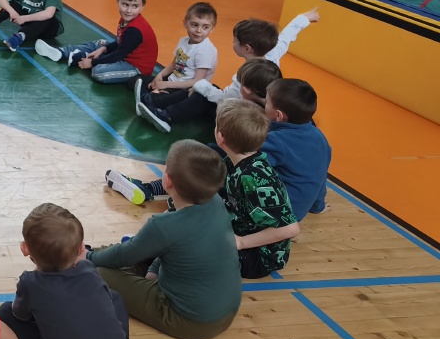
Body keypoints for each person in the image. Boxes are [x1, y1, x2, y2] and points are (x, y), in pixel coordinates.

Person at [89, 140, 241, 339]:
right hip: (227, 313)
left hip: (191, 321)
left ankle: (83, 253)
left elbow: (123, 256)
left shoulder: (163, 225)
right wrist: (154, 268)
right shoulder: (215, 202)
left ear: (167, 181)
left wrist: (88, 257)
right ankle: (90, 252)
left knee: (100, 272)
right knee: (135, 250)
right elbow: (174, 245)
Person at [0, 203, 134, 339]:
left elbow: (20, 315)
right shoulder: (90, 270)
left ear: (25, 249)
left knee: (5, 312)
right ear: (81, 249)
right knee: (114, 297)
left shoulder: (30, 283)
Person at [110, 58, 284, 206]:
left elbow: (222, 103)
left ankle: (149, 189)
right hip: (237, 170)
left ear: (245, 89)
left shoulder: (243, 113)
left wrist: (202, 88)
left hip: (227, 165)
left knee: (195, 161)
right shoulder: (266, 115)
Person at [183, 9, 320, 121]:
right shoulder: (272, 53)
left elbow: (224, 98)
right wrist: (304, 18)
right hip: (268, 106)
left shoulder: (244, 77)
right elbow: (286, 37)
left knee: (202, 98)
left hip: (248, 115)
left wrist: (200, 85)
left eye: (235, 41)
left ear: (247, 48)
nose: (233, 43)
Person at [214, 99, 299, 278]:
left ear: (220, 137)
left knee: (192, 252)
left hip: (260, 256)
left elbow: (290, 229)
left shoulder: (255, 179)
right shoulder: (233, 161)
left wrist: (241, 242)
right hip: (235, 230)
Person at [35, 0, 157, 85]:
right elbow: (120, 42)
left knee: (99, 72)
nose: (129, 10)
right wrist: (104, 49)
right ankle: (62, 52)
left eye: (135, 6)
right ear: (118, 1)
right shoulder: (127, 20)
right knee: (101, 44)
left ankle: (82, 57)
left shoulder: (135, 30)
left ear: (142, 7)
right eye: (125, 4)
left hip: (135, 68)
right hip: (125, 55)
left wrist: (92, 62)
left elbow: (118, 54)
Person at [135, 2, 219, 133]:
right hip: (174, 79)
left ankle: (151, 101)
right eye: (194, 25)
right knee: (136, 80)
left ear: (212, 29)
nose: (199, 31)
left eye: (205, 27)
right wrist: (160, 75)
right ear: (185, 23)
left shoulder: (205, 50)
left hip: (187, 88)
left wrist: (164, 84)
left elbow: (197, 82)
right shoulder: (183, 41)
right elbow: (174, 64)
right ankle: (149, 99)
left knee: (162, 98)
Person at [263, 78, 332, 222]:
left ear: (278, 115)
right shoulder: (320, 137)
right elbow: (320, 176)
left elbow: (248, 169)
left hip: (276, 213)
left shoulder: (276, 141)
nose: (264, 104)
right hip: (298, 212)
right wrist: (318, 206)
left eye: (267, 102)